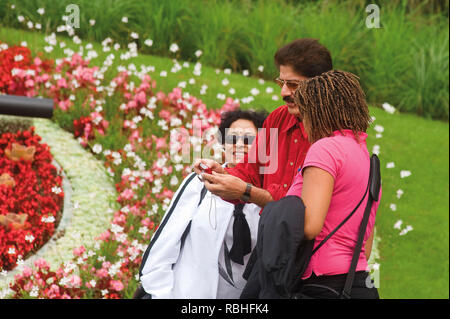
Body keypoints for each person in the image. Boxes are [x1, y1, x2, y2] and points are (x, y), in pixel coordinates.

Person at [137, 108, 268, 299]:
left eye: (249, 140)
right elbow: (164, 243)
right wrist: (161, 293)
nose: (240, 145)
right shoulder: (200, 184)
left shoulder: (265, 196)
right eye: (232, 139)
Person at [194, 38, 333, 208]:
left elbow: (300, 208)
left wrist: (245, 191)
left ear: (321, 85)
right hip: (272, 232)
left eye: (293, 85)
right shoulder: (279, 119)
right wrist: (221, 174)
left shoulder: (333, 134)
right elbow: (251, 172)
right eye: (281, 82)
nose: (283, 93)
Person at [286, 70, 381, 298]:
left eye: (304, 116)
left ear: (318, 113)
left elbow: (310, 226)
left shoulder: (325, 149)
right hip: (359, 283)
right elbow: (365, 247)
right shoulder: (365, 156)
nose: (303, 125)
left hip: (322, 283)